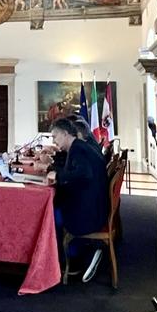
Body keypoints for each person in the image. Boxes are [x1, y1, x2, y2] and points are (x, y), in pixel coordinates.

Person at [47, 118, 109, 282]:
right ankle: (71, 256)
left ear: (65, 133)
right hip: (95, 205)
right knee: (56, 206)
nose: (54, 141)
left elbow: (83, 174)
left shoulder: (78, 150)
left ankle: (71, 260)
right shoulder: (79, 147)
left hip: (89, 213)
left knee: (52, 214)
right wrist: (54, 170)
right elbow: (75, 172)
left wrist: (57, 175)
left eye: (55, 137)